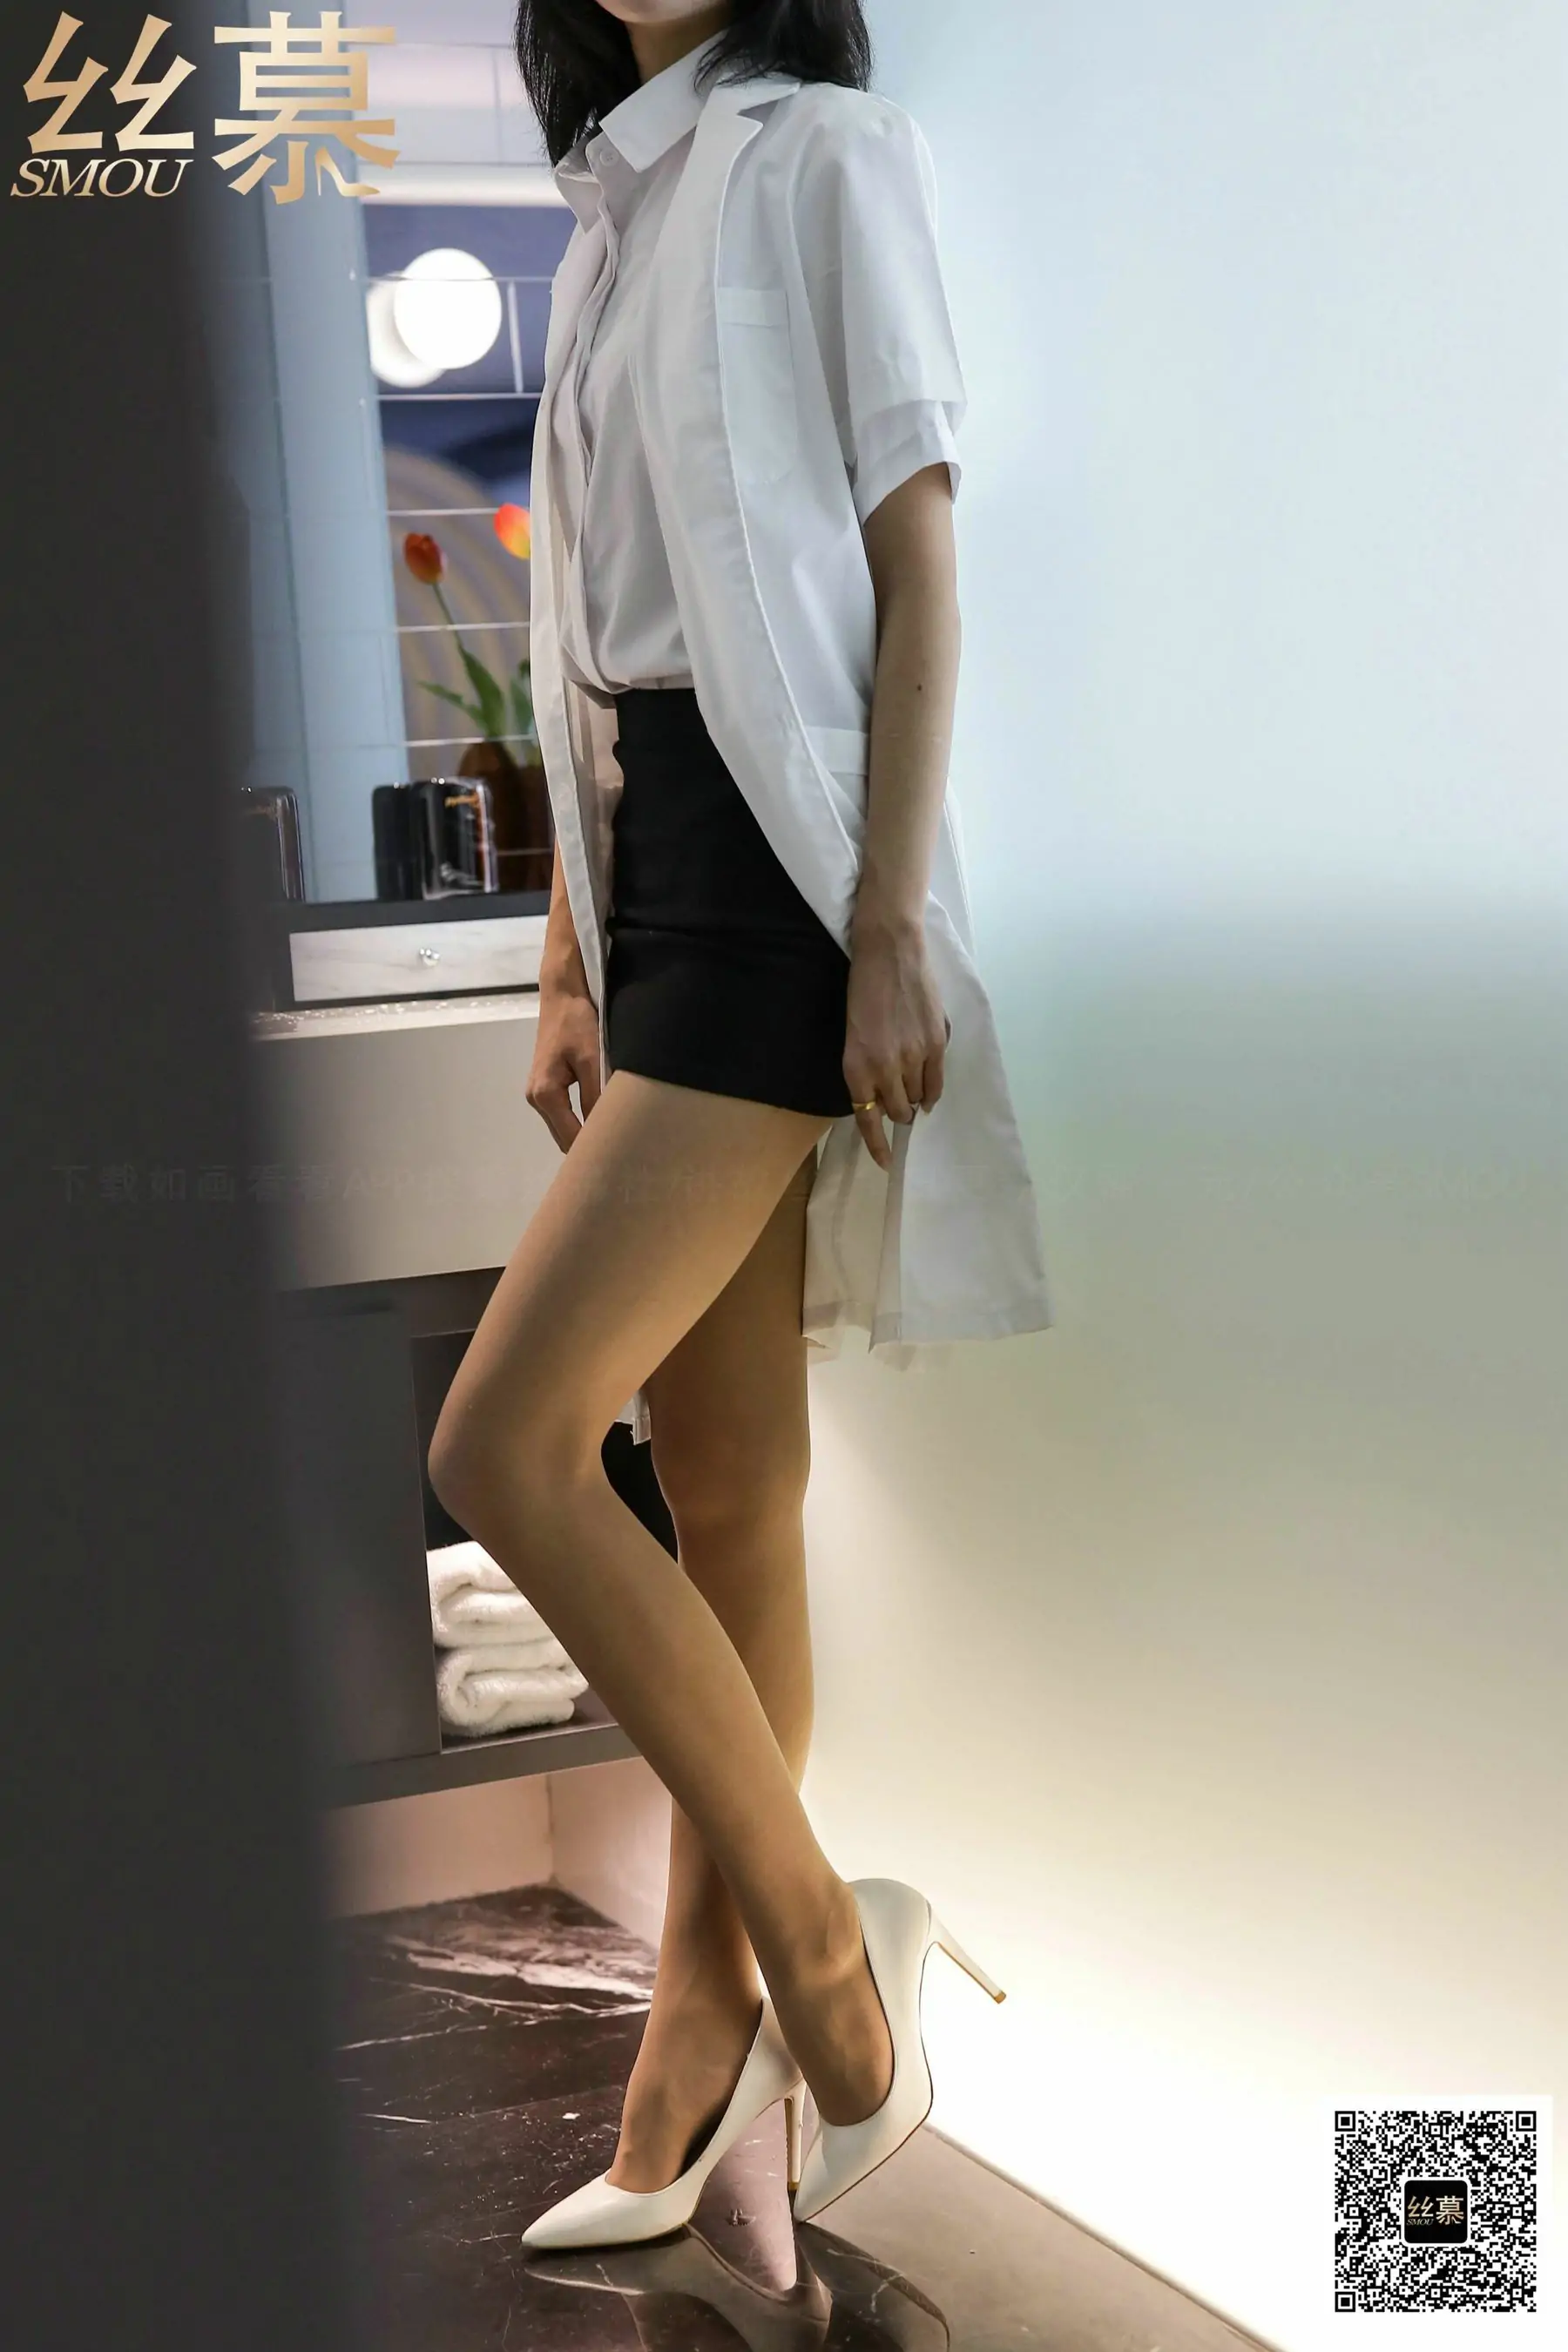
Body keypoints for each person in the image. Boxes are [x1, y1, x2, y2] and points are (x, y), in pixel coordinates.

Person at [428, 0, 1050, 2249]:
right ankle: (688, 2068)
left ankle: (830, 1964)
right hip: (653, 867)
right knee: (730, 1499)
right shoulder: (610, 222)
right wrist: (562, 948)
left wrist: (886, 921)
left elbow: (918, 560)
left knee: (505, 1443)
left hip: (789, 883)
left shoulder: (824, 157)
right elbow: (595, 645)